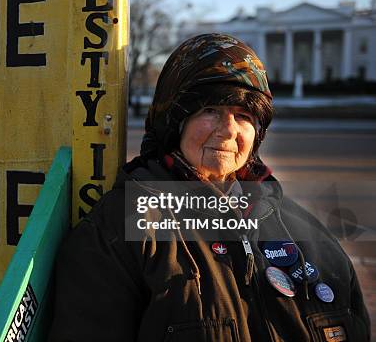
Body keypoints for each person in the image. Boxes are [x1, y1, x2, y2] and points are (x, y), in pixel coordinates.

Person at [48, 34, 370, 341]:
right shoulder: (121, 229)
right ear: (174, 122)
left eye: (243, 115)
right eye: (210, 111)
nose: (228, 130)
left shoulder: (300, 229)